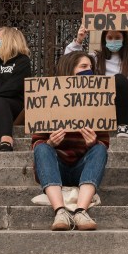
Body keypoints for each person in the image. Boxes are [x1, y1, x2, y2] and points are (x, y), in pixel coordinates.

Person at [30, 52, 109, 232]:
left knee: (99, 149)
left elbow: (104, 143)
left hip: (83, 169)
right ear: (69, 70)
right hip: (57, 168)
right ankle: (60, 212)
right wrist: (51, 142)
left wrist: (92, 143)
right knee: (42, 148)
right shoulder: (49, 99)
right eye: (83, 67)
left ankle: (81, 211)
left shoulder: (97, 101)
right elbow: (36, 143)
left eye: (90, 67)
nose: (88, 71)